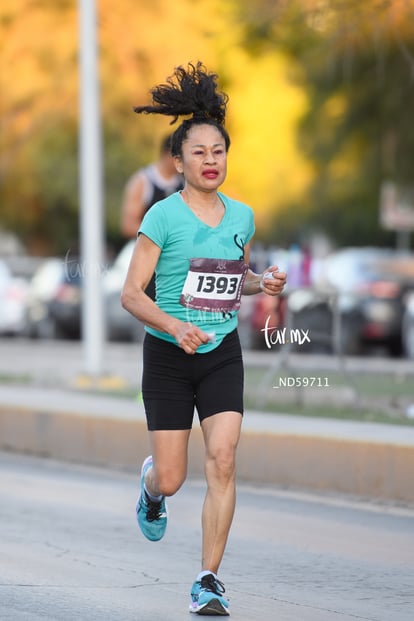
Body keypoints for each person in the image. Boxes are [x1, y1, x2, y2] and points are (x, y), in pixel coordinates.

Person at [121, 62, 286, 616]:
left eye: (218, 151)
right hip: (169, 358)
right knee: (173, 478)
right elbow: (131, 294)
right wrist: (173, 326)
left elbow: (231, 277)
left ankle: (208, 579)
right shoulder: (161, 218)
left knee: (223, 458)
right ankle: (150, 485)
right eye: (198, 152)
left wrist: (263, 281)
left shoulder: (243, 215)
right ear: (179, 161)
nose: (210, 161)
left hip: (221, 354)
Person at [121, 134, 183, 299]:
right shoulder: (143, 181)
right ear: (168, 154)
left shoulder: (185, 183)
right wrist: (163, 238)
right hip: (151, 260)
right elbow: (128, 225)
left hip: (178, 263)